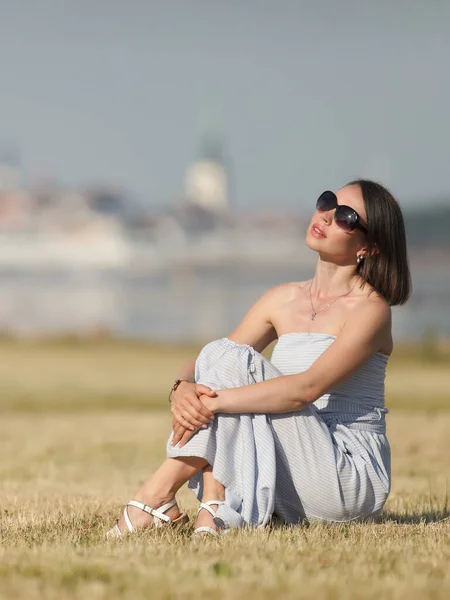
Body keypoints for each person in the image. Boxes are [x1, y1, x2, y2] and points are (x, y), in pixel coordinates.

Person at [107, 179, 411, 538]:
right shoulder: (282, 298)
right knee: (224, 355)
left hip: (345, 477)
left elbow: (304, 389)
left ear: (370, 247)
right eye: (327, 201)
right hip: (292, 467)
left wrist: (212, 403)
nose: (326, 216)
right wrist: (183, 388)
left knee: (235, 364)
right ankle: (208, 504)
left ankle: (158, 496)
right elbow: (215, 360)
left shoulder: (370, 311)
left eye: (345, 216)